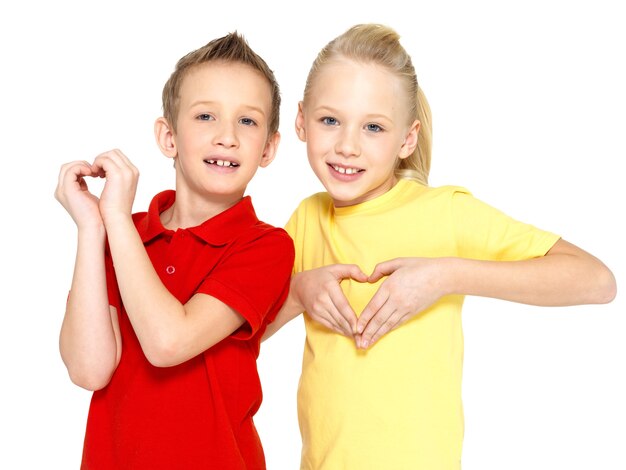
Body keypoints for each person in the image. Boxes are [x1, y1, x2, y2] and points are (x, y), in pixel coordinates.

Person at [264, 24, 617, 469]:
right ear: (301, 120)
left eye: (373, 127)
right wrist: (298, 294)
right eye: (330, 120)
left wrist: (445, 275)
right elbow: (244, 331)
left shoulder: (445, 212)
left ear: (406, 139)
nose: (347, 145)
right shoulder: (306, 219)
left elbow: (596, 280)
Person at [55, 32, 294, 469]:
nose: (227, 137)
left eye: (248, 121)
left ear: (269, 148)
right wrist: (95, 227)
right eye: (206, 116)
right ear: (169, 137)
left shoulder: (266, 245)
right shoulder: (123, 234)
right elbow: (89, 369)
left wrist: (117, 226)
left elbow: (168, 342)